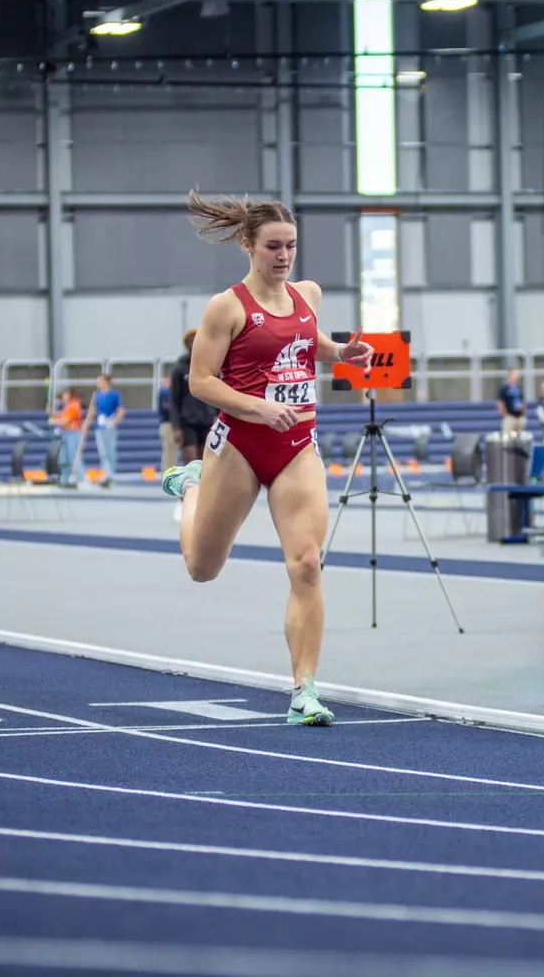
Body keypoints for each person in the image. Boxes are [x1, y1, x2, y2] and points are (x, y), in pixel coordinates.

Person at [160, 192, 373, 727]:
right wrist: (257, 407)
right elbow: (200, 381)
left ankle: (304, 690)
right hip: (238, 444)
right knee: (201, 568)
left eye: (291, 246)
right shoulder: (226, 307)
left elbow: (305, 341)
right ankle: (190, 486)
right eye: (273, 247)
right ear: (247, 245)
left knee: (307, 564)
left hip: (297, 445)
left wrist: (341, 353)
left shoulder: (308, 294)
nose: (284, 256)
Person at [169, 329, 216, 464]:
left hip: (207, 420)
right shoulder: (179, 368)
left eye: (196, 340)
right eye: (190, 341)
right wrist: (176, 427)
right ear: (187, 345)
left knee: (206, 461)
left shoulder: (210, 366)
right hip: (188, 422)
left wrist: (218, 416)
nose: (194, 344)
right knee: (191, 461)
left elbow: (217, 392)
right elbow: (174, 400)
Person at [89, 374, 124, 487]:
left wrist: (114, 421)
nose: (97, 383)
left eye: (100, 381)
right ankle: (107, 474)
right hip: (100, 426)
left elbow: (121, 410)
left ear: (106, 382)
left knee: (110, 452)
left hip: (110, 426)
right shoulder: (96, 395)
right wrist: (86, 424)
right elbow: (92, 410)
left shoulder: (114, 395)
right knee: (102, 452)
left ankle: (110, 474)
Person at [49, 386, 84, 487]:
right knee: (64, 459)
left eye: (65, 394)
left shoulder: (74, 405)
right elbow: (61, 415)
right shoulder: (67, 406)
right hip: (65, 433)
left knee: (73, 457)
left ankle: (80, 480)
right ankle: (65, 479)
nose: (63, 396)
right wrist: (52, 413)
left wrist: (53, 421)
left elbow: (66, 420)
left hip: (73, 434)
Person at [157, 376, 178, 474]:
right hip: (167, 423)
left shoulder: (168, 392)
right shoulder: (164, 392)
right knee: (168, 449)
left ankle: (172, 469)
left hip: (171, 423)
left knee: (172, 449)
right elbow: (166, 406)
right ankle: (167, 471)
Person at [497, 368, 526, 435]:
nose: (516, 377)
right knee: (507, 436)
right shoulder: (504, 388)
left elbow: (522, 402)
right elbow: (501, 403)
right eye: (515, 375)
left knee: (520, 437)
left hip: (519, 417)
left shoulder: (519, 388)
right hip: (510, 417)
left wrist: (523, 413)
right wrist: (505, 415)